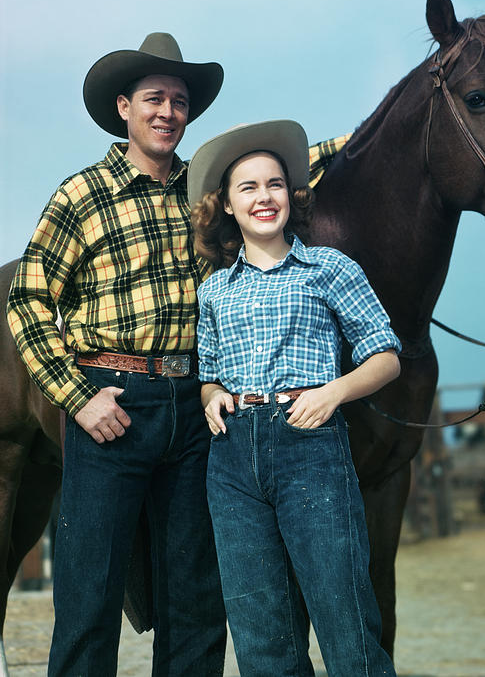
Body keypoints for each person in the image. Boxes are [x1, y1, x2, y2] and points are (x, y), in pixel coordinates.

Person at [6, 33, 228, 676]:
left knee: (195, 596)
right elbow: (27, 300)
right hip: (114, 402)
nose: (168, 112)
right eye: (154, 98)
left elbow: (289, 173)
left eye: (180, 101)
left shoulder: (207, 194)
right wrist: (77, 397)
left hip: (193, 406)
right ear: (125, 107)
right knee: (89, 594)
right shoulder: (83, 196)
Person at [188, 120, 401, 677]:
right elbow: (208, 372)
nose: (265, 197)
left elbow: (385, 356)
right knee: (261, 639)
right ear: (227, 206)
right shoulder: (213, 290)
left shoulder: (329, 268)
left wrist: (333, 393)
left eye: (275, 184)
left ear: (292, 195)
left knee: (345, 624)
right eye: (248, 188)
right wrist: (211, 396)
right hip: (232, 460)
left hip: (310, 448)